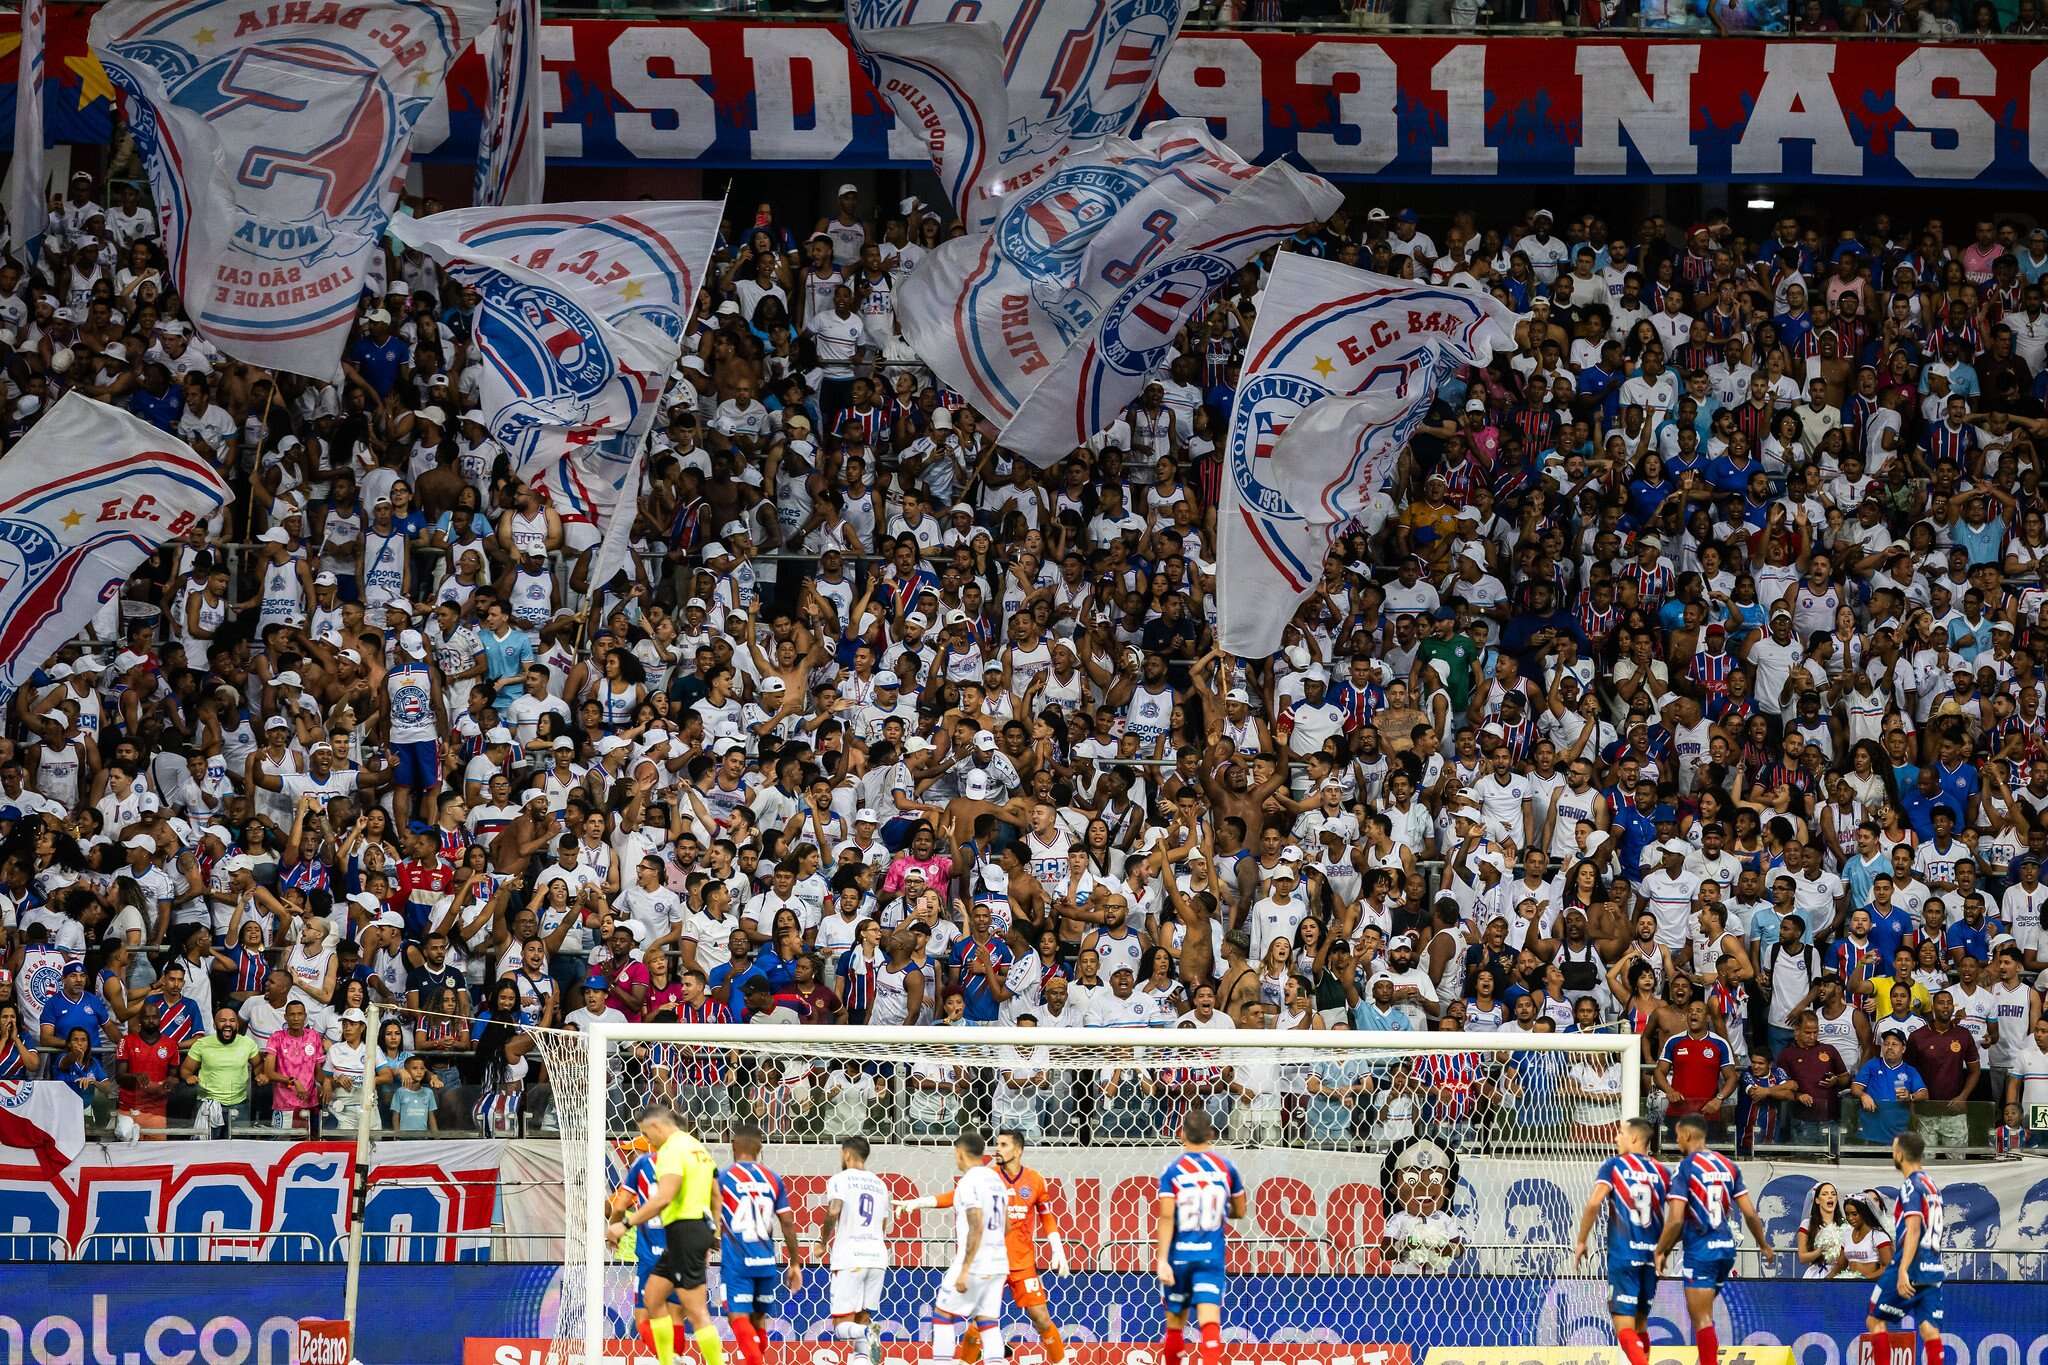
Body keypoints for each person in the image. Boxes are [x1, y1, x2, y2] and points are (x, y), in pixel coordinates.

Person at [902, 1126, 1071, 1365]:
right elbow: (954, 1196)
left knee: (1041, 1318)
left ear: (1019, 1149)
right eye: (996, 1144)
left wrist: (1058, 1248)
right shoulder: (991, 1176)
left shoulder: (1035, 1180)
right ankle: (966, 1362)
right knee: (979, 1324)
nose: (997, 1149)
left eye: (1003, 1145)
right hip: (994, 1262)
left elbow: (1046, 1215)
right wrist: (921, 1202)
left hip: (1021, 1263)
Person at [1652, 1113, 1775, 1365]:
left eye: (1677, 1136)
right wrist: (1763, 1245)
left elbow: (1675, 1220)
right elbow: (1750, 1213)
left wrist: (1661, 1251)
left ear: (1686, 1135)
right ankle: (1708, 1359)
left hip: (1701, 1251)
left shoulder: (1685, 1168)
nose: (1677, 1142)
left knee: (1701, 1319)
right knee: (1705, 1316)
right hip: (1726, 1250)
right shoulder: (1728, 1165)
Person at [609, 1103, 724, 1365]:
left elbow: (664, 1196)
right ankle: (669, 1359)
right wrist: (713, 1232)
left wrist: (625, 1224)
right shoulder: (697, 1148)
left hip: (684, 1232)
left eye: (647, 1135)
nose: (649, 1141)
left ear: (656, 1126)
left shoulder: (672, 1149)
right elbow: (716, 1195)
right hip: (693, 1232)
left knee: (693, 1310)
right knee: (654, 1297)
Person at [1572, 1116, 1668, 1365]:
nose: (1615, 1138)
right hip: (1651, 1258)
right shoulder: (1662, 1171)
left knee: (1623, 1327)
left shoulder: (1614, 1166)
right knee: (1640, 1325)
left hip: (1624, 1255)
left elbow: (1594, 1203)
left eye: (1621, 1134)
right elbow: (1676, 1214)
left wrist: (1582, 1241)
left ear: (1634, 1138)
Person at [1154, 1110, 1245, 1365]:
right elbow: (1240, 1210)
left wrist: (1162, 1260)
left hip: (1179, 1258)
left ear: (1181, 1134)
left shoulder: (1173, 1171)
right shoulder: (1227, 1168)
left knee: (1175, 1325)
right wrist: (1218, 1208)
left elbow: (1166, 1217)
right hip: (1210, 1259)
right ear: (1212, 1134)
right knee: (1210, 1324)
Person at [717, 1124, 803, 1365]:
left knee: (738, 1319)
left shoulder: (724, 1177)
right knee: (758, 1323)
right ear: (760, 1148)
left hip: (737, 1263)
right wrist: (795, 1263)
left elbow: (710, 1218)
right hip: (766, 1263)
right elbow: (787, 1221)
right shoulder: (772, 1178)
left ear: (733, 1147)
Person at [931, 1129, 1010, 1365]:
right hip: (998, 1263)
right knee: (988, 1322)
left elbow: (976, 1225)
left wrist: (964, 1269)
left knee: (943, 1314)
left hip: (974, 1263)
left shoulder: (969, 1182)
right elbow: (1006, 1226)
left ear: (960, 1153)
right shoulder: (997, 1180)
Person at [1866, 1131, 1946, 1365]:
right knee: (1929, 1329)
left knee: (1875, 1320)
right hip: (1932, 1268)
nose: (1892, 1153)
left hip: (1910, 1265)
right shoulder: (1931, 1185)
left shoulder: (1911, 1185)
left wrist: (1903, 1270)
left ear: (1900, 1154)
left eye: (1893, 1149)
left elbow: (1913, 1229)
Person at [820, 1134, 891, 1364]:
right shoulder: (880, 1185)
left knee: (842, 1327)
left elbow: (833, 1210)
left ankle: (867, 1333)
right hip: (878, 1258)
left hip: (850, 1257)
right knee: (863, 1317)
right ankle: (864, 1346)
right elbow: (883, 1225)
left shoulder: (841, 1179)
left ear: (847, 1154)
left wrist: (822, 1243)